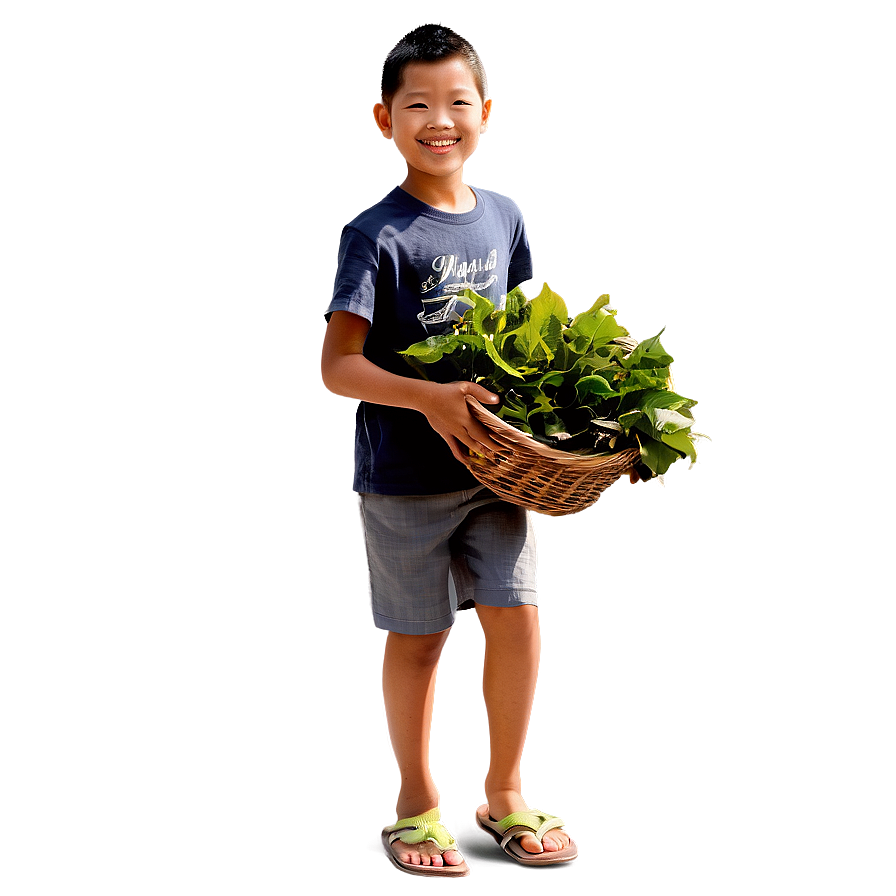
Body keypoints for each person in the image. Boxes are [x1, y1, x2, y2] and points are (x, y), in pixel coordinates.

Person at [320, 23, 578, 877]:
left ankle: (504, 790)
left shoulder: (505, 218)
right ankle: (414, 802)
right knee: (420, 637)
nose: (440, 119)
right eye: (418, 104)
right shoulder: (376, 234)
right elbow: (339, 366)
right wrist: (427, 398)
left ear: (486, 111)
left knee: (517, 614)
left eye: (457, 102)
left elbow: (530, 337)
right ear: (383, 118)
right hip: (403, 482)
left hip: (494, 475)